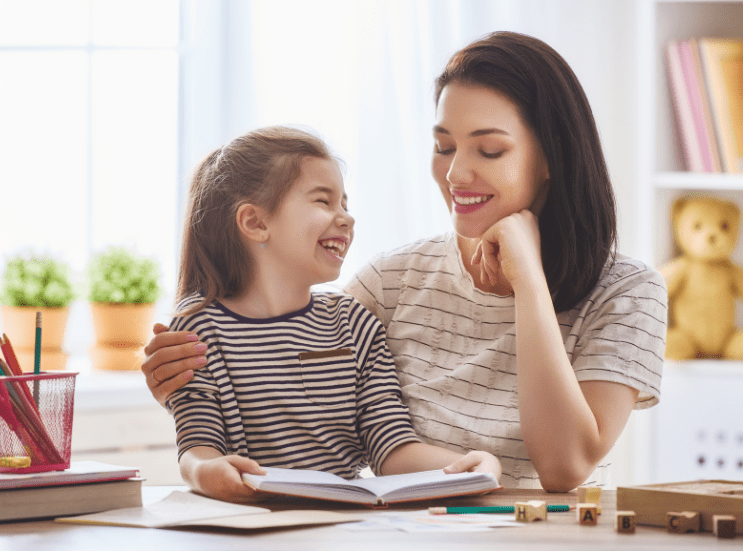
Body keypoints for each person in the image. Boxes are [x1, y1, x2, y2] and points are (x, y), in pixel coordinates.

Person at [142, 32, 667, 493]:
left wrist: (527, 277)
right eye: (443, 147)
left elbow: (564, 465)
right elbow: (280, 368)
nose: (456, 174)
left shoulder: (627, 293)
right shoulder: (390, 284)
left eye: (489, 151)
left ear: (551, 156)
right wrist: (181, 383)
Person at [162, 125, 501, 503]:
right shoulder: (200, 331)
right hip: (250, 522)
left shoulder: (354, 323)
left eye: (345, 204)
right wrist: (207, 473)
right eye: (324, 202)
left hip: (345, 523)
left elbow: (390, 447)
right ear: (256, 223)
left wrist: (464, 466)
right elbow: (197, 446)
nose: (345, 218)